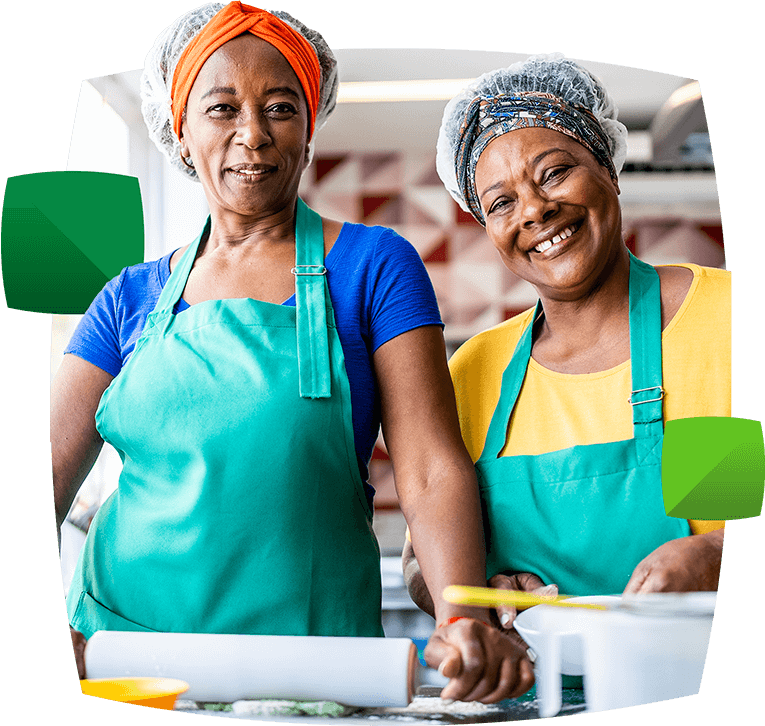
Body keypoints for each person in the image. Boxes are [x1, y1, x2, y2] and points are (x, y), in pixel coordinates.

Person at [51, 2, 533, 703]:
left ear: (309, 131)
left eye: (281, 107)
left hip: (306, 668)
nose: (253, 135)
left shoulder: (374, 265)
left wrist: (463, 614)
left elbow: (429, 467)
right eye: (221, 109)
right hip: (122, 654)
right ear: (181, 133)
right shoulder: (128, 296)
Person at [404, 53, 729, 633]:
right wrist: (478, 587)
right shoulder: (477, 370)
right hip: (532, 695)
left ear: (609, 167)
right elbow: (419, 564)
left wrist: (714, 557)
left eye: (554, 172)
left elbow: (730, 513)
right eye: (501, 201)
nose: (534, 210)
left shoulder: (718, 320)